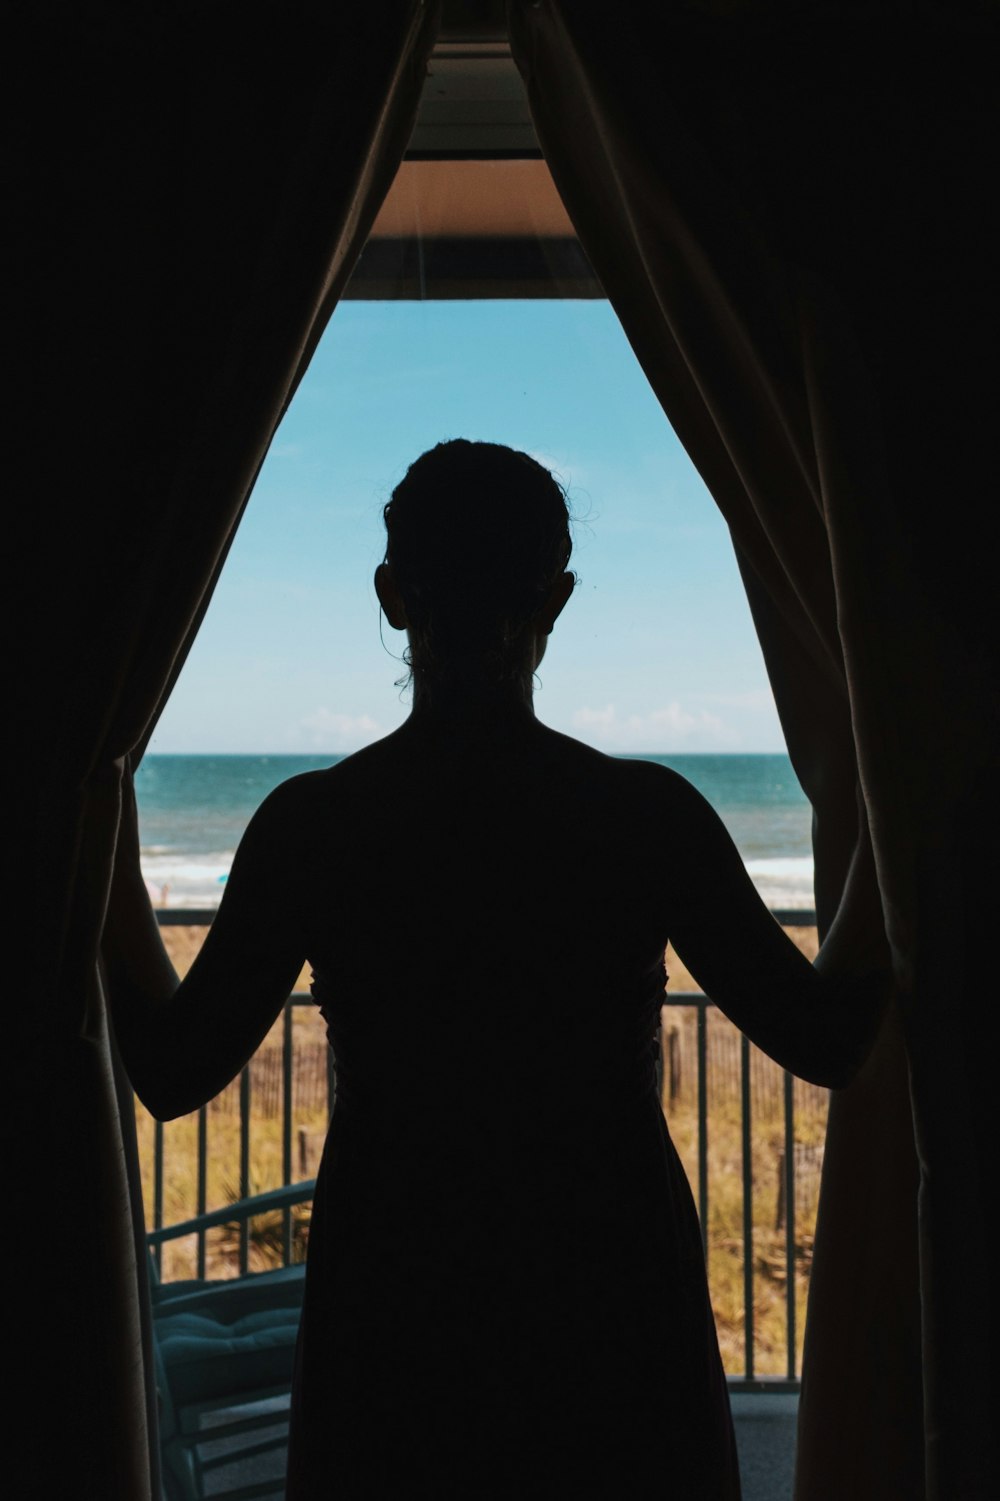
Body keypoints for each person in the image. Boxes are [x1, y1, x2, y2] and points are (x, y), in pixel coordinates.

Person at [105, 439, 888, 1498]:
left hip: (395, 1279)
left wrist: (104, 853)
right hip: (610, 1278)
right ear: (555, 600)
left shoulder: (317, 826)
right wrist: (899, 833)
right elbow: (825, 1034)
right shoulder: (643, 816)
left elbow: (172, 1066)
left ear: (392, 596)